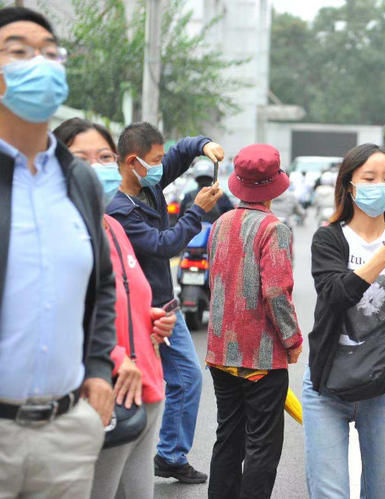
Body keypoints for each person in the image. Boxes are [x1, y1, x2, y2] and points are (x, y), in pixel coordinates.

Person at [0, 7, 116, 497]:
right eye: (19, 51)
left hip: (67, 433)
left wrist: (97, 370)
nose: (41, 63)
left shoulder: (80, 180)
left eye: (51, 52)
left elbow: (102, 286)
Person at [53, 118, 177, 499]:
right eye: (81, 157)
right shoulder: (60, 231)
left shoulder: (113, 226)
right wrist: (114, 355)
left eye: (104, 156)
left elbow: (125, 298)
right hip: (107, 389)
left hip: (147, 387)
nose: (96, 166)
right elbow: (63, 312)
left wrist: (153, 321)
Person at [303, 144, 385, 498]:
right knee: (329, 492)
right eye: (369, 178)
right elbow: (336, 294)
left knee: (383, 491)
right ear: (349, 184)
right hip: (327, 380)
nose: (379, 185)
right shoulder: (329, 238)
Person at [107, 121, 225, 483]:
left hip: (165, 306)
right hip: (140, 313)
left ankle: (169, 455)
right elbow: (164, 244)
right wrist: (197, 211)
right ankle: (137, 460)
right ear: (132, 162)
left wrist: (205, 145)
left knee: (182, 379)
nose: (162, 165)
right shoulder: (120, 210)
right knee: (150, 386)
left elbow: (182, 149)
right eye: (154, 160)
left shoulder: (151, 181)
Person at [206, 144, 304, 499]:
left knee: (228, 439)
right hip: (261, 357)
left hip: (220, 351)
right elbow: (276, 292)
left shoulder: (220, 223)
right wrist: (292, 341)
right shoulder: (273, 229)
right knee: (262, 445)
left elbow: (214, 281)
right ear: (273, 186)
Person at [179, 159, 234, 223]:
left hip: (192, 232)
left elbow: (180, 218)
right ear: (212, 177)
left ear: (196, 178)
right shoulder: (221, 195)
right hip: (214, 232)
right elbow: (230, 217)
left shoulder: (188, 196)